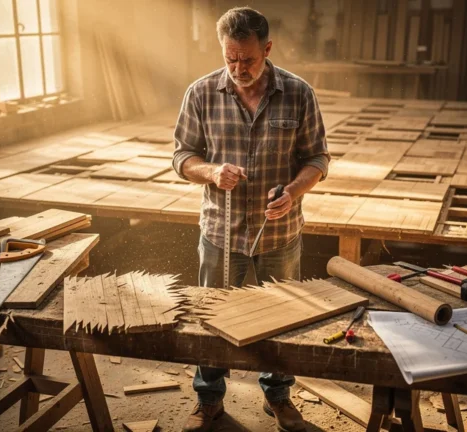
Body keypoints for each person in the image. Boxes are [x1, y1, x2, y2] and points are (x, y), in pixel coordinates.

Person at [172, 6, 329, 432]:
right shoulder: (201, 93)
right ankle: (208, 400)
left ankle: (278, 397)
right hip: (221, 233)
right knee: (212, 320)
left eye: (248, 59)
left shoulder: (298, 93)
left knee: (280, 318)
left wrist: (294, 191)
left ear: (268, 48)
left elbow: (317, 157)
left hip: (279, 234)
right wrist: (210, 172)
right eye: (230, 59)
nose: (239, 68)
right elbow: (182, 156)